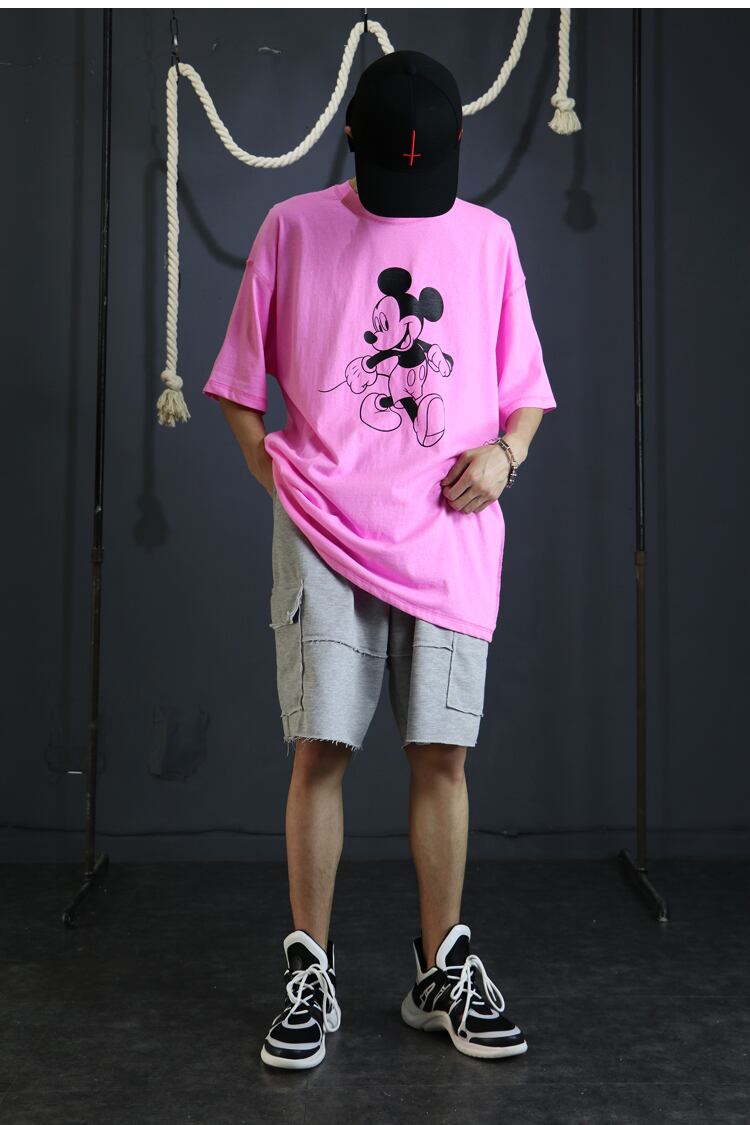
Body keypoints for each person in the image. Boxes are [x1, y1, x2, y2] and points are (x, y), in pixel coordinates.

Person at [202, 50, 557, 1069]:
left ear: (457, 147)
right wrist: (281, 483)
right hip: (324, 532)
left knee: (441, 756)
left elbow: (526, 390)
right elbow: (236, 383)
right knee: (321, 749)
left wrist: (506, 456)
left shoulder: (488, 240)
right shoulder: (292, 227)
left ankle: (441, 970)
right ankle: (309, 972)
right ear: (349, 138)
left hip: (447, 534)